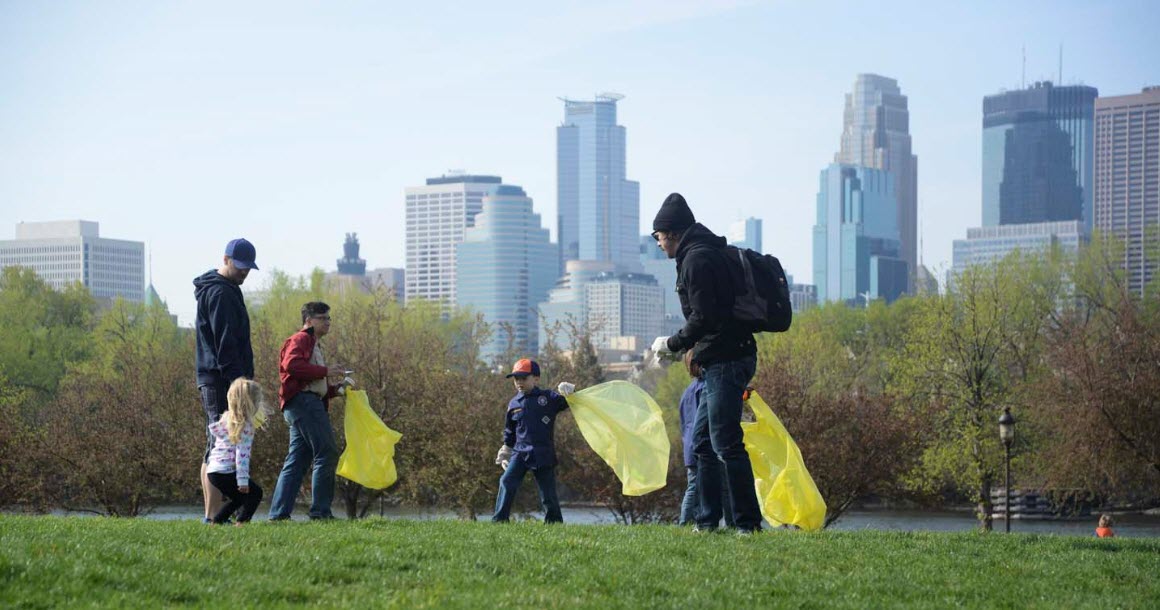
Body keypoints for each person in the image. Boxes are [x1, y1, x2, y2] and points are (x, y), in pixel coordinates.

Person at [649, 192, 763, 534]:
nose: (657, 243)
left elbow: (706, 316)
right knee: (702, 444)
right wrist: (694, 350)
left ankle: (746, 524)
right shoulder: (702, 253)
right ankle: (707, 522)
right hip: (721, 358)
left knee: (726, 442)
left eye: (658, 237)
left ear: (671, 232)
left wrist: (674, 344)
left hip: (728, 360)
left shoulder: (697, 259)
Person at [194, 238, 258, 523]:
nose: (244, 272)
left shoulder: (229, 289)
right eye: (240, 266)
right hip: (220, 378)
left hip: (226, 377)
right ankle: (212, 517)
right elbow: (225, 344)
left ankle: (213, 515)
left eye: (248, 268)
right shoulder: (219, 294)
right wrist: (238, 384)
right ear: (226, 259)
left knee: (216, 444)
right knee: (217, 444)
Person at [268, 302, 348, 521]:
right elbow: (292, 366)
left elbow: (312, 383)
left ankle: (278, 514)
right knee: (327, 452)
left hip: (302, 403)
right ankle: (320, 512)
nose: (328, 321)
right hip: (304, 404)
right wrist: (326, 371)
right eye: (323, 318)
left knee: (297, 460)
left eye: (329, 318)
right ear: (309, 320)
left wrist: (336, 391)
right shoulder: (302, 338)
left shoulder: (313, 343)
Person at [492, 359, 575, 524]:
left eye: (524, 378)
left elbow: (567, 402)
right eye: (516, 379)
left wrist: (570, 392)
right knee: (506, 481)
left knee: (547, 493)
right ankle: (500, 520)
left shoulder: (548, 397)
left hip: (542, 453)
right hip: (520, 453)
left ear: (536, 379)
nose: (519, 382)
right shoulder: (514, 403)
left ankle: (554, 522)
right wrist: (506, 450)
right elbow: (510, 430)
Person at [678, 350, 733, 527]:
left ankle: (685, 521)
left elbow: (683, 420)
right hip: (707, 446)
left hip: (689, 446)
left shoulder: (687, 392)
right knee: (723, 487)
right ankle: (732, 521)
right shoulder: (707, 388)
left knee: (693, 486)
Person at [206, 378, 269, 525]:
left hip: (213, 470)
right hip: (225, 471)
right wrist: (242, 480)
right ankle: (241, 522)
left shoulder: (227, 418)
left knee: (239, 498)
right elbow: (242, 456)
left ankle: (218, 521)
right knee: (255, 494)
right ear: (251, 403)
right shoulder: (245, 427)